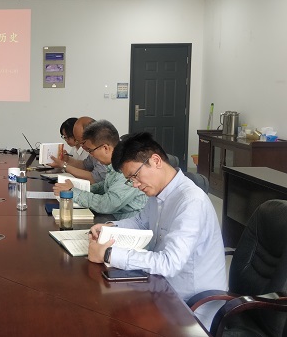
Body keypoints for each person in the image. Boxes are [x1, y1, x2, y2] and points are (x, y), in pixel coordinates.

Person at [87, 131, 226, 330]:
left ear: (156, 161)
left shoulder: (191, 202)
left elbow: (170, 263)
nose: (135, 185)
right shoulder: (159, 192)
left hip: (191, 307)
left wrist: (109, 254)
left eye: (135, 176)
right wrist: (110, 227)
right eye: (130, 180)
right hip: (161, 287)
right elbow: (141, 221)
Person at [53, 120, 147, 220]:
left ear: (105, 148)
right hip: (113, 218)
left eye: (91, 151)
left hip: (127, 223)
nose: (91, 155)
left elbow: (107, 205)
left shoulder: (127, 167)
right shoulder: (114, 164)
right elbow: (106, 185)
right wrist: (80, 189)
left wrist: (73, 192)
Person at [49, 116, 107, 184]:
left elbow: (94, 178)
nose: (82, 146)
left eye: (83, 142)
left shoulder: (102, 150)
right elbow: (84, 165)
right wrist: (67, 159)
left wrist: (64, 166)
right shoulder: (92, 150)